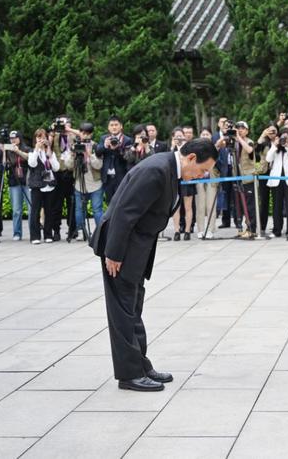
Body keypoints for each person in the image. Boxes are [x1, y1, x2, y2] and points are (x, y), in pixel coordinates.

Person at [90, 139, 218, 392]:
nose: (203, 175)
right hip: (122, 250)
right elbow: (125, 212)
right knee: (123, 312)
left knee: (133, 306)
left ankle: (141, 364)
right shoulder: (156, 170)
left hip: (136, 249)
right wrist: (113, 254)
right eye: (203, 169)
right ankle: (129, 374)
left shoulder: (170, 169)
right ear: (191, 158)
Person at [63, 122, 103, 241]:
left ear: (91, 134)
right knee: (79, 209)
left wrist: (89, 154)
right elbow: (68, 166)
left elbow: (98, 165)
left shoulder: (96, 146)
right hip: (79, 183)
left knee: (97, 209)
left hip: (95, 183)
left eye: (86, 133)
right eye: (82, 133)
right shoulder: (74, 146)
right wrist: (72, 154)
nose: (84, 135)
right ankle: (81, 231)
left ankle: (100, 232)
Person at [28, 128, 60, 244]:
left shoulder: (50, 152)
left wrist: (50, 153)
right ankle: (35, 236)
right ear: (35, 139)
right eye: (39, 137)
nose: (41, 140)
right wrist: (37, 149)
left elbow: (56, 168)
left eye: (43, 137)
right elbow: (32, 163)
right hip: (37, 185)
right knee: (35, 211)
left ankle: (48, 234)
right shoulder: (32, 152)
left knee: (49, 211)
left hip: (49, 184)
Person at [266, 129, 288, 238]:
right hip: (276, 180)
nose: (284, 140)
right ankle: (277, 230)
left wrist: (287, 146)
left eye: (287, 137)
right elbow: (268, 158)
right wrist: (275, 145)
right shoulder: (275, 148)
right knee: (277, 207)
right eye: (282, 137)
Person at [50, 115, 77, 241]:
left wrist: (69, 130)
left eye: (65, 124)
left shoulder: (73, 135)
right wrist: (52, 131)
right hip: (58, 173)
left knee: (71, 203)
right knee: (57, 204)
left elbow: (84, 136)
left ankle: (72, 229)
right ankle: (56, 230)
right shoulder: (54, 136)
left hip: (71, 173)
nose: (62, 126)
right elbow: (47, 146)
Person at [96, 116, 132, 203]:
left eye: (116, 125)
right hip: (107, 176)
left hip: (120, 176)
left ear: (121, 126)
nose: (114, 127)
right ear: (108, 127)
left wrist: (117, 148)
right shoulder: (104, 138)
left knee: (120, 202)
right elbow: (98, 153)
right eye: (111, 125)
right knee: (109, 202)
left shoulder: (127, 140)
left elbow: (127, 158)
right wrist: (105, 146)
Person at [6, 131, 32, 241]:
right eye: (11, 138)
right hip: (14, 182)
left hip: (27, 182)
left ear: (20, 138)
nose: (13, 140)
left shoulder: (27, 149)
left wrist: (18, 151)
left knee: (31, 208)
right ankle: (17, 233)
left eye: (15, 138)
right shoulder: (8, 151)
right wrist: (4, 152)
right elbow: (5, 164)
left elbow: (30, 160)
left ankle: (33, 232)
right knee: (17, 210)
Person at [169, 127, 194, 240]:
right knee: (176, 207)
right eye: (176, 136)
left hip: (187, 179)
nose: (179, 138)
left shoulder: (189, 147)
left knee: (188, 206)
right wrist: (172, 146)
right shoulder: (171, 148)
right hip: (175, 180)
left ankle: (188, 230)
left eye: (181, 136)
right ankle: (176, 230)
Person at [233, 121, 256, 237]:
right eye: (237, 128)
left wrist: (239, 138)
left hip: (248, 177)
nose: (240, 130)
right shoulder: (233, 143)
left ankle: (252, 229)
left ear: (247, 131)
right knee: (239, 205)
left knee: (250, 205)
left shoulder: (249, 142)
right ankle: (241, 228)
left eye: (242, 128)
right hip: (237, 176)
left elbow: (250, 150)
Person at [195, 128, 218, 238]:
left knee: (211, 205)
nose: (205, 136)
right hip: (199, 179)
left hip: (212, 179)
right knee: (200, 205)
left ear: (211, 136)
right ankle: (200, 229)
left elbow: (221, 163)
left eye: (207, 134)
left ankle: (210, 230)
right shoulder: (195, 149)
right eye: (203, 134)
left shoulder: (215, 149)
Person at [255, 124, 277, 236]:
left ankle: (276, 227)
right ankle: (262, 227)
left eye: (274, 131)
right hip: (264, 172)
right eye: (270, 131)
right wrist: (262, 135)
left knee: (277, 202)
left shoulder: (281, 142)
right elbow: (255, 151)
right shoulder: (264, 143)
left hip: (277, 173)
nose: (272, 133)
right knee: (264, 201)